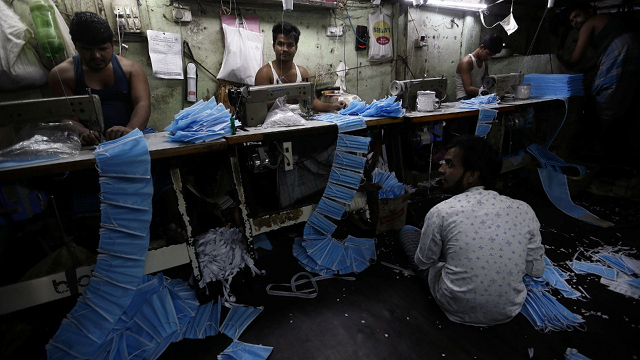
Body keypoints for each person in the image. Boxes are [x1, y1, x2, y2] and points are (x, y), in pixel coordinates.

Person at [400, 135, 545, 326]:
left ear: (472, 175)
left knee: (408, 232)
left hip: (454, 306)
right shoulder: (524, 210)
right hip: (508, 309)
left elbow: (423, 261)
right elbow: (536, 270)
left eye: (450, 165)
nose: (441, 169)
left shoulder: (441, 211)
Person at [49, 11, 150, 146]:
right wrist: (82, 132)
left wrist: (130, 130)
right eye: (87, 49)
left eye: (103, 49)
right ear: (76, 46)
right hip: (88, 146)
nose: (96, 55)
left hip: (131, 139)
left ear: (112, 44)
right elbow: (67, 117)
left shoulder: (131, 70)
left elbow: (142, 104)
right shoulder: (62, 75)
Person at [564, 4, 640, 167]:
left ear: (589, 12)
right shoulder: (608, 25)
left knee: (603, 91)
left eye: (577, 16)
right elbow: (598, 59)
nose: (575, 22)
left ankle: (602, 146)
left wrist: (561, 64)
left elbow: (575, 59)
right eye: (571, 21)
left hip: (623, 48)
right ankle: (611, 146)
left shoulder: (591, 22)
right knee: (623, 91)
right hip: (635, 46)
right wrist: (582, 70)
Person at [254, 21, 346, 112]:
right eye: (281, 44)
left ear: (296, 48)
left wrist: (333, 106)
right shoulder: (265, 73)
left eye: (290, 45)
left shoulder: (302, 73)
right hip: (271, 125)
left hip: (298, 122)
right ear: (274, 46)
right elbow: (258, 107)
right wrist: (286, 98)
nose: (285, 49)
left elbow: (313, 102)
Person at [455, 34, 503, 101]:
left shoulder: (484, 63)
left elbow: (487, 83)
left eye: (491, 55)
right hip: (464, 98)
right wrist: (488, 92)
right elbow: (468, 89)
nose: (489, 58)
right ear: (481, 47)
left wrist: (500, 89)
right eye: (488, 54)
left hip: (477, 97)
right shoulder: (467, 62)